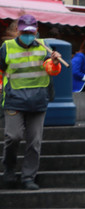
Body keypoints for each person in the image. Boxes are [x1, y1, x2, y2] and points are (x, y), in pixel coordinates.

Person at [1, 14, 63, 190]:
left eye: (31, 31)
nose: (28, 34)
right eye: (24, 31)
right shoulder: (6, 47)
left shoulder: (44, 47)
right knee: (12, 137)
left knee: (34, 141)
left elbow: (51, 70)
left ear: (36, 31)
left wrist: (55, 62)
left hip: (38, 100)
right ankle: (10, 168)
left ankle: (28, 177)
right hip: (14, 99)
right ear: (17, 31)